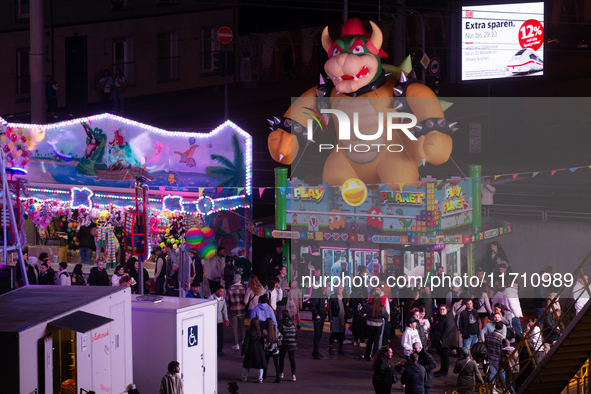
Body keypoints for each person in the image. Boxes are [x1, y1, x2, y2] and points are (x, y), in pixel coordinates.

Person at [362, 294, 390, 361]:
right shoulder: (381, 307)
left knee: (370, 341)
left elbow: (362, 311)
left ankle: (366, 356)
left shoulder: (369, 306)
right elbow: (386, 316)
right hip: (378, 325)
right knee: (376, 341)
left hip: (369, 324)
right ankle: (375, 357)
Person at [241, 317, 267, 383]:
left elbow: (246, 342)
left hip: (251, 348)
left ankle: (244, 377)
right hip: (259, 348)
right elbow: (263, 341)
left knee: (247, 364)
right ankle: (260, 378)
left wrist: (243, 352)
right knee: (260, 365)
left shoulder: (249, 331)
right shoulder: (260, 331)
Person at [431, 304, 454, 377]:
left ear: (447, 310)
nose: (442, 311)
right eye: (440, 309)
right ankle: (442, 370)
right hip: (439, 339)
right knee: (442, 356)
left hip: (445, 340)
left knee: (445, 356)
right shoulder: (439, 317)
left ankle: (445, 371)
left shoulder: (448, 318)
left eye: (443, 309)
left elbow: (448, 329)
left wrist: (442, 339)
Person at [208, 285, 230, 356]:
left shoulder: (223, 299)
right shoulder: (211, 298)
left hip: (220, 321)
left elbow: (224, 310)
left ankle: (219, 350)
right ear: (216, 291)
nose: (222, 293)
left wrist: (226, 320)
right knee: (212, 336)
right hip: (212, 321)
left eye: (223, 291)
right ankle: (211, 349)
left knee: (220, 336)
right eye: (220, 291)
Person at [309, 286, 330, 359]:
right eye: (328, 290)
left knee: (319, 334)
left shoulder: (325, 296)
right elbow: (312, 306)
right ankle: (316, 351)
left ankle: (316, 351)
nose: (329, 291)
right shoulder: (317, 295)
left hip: (322, 316)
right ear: (324, 289)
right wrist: (316, 314)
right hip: (318, 317)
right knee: (317, 334)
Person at [228, 274, 246, 350]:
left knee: (234, 328)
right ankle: (243, 341)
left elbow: (227, 301)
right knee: (242, 326)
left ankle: (236, 344)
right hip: (242, 310)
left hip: (233, 311)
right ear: (240, 279)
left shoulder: (230, 288)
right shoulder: (243, 288)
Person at [278, 310, 297, 382]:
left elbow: (279, 333)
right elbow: (296, 333)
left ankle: (281, 373)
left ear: (282, 315)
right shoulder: (293, 322)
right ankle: (293, 375)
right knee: (292, 359)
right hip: (292, 343)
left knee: (281, 358)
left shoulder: (281, 323)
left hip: (284, 343)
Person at [328, 285, 348, 355]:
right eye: (338, 288)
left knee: (342, 333)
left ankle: (340, 348)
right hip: (335, 316)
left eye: (340, 288)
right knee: (333, 332)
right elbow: (330, 308)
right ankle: (330, 347)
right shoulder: (333, 297)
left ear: (343, 289)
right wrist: (330, 318)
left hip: (342, 317)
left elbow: (346, 307)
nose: (339, 289)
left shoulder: (344, 297)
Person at [262, 317, 282, 383]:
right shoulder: (276, 330)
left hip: (267, 350)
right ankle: (278, 378)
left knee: (266, 363)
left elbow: (263, 341)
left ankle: (264, 375)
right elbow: (280, 338)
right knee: (276, 364)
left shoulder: (264, 331)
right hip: (275, 350)